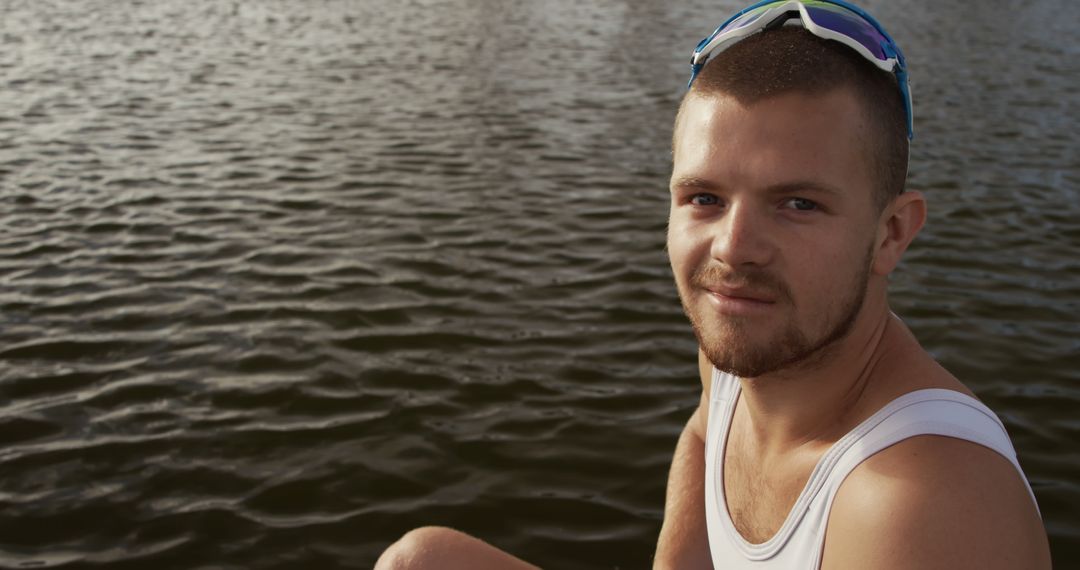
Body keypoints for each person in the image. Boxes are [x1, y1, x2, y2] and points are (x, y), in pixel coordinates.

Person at [375, 1, 1052, 568]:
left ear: (892, 234)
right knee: (421, 560)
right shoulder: (749, 341)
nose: (734, 248)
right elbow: (705, 431)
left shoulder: (920, 503)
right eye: (704, 197)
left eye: (799, 204)